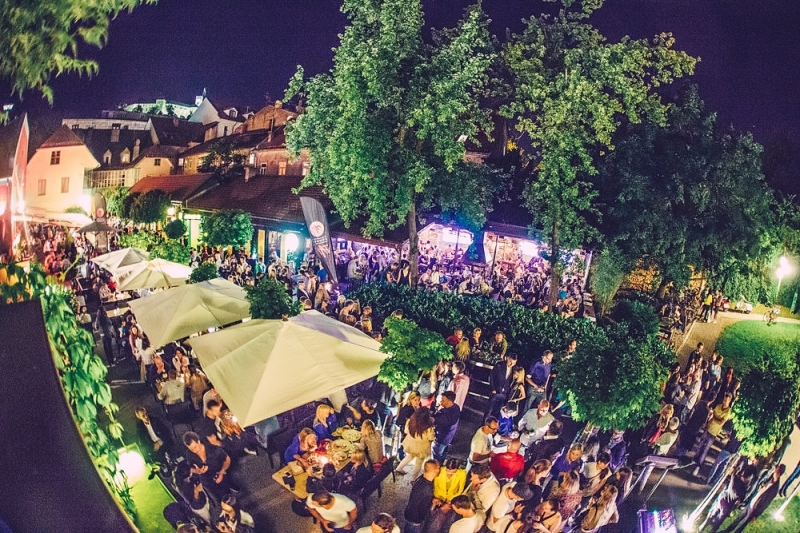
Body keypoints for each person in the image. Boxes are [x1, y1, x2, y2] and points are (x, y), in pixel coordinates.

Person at [720, 464, 784, 533]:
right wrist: (761, 487)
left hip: (754, 509)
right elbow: (763, 485)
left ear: (778, 474)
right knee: (738, 519)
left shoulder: (774, 489)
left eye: (776, 470)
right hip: (751, 502)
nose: (774, 471)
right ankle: (727, 531)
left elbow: (765, 504)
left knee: (742, 524)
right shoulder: (771, 479)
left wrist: (756, 515)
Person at [182, 431, 233, 500]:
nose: (194, 451)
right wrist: (197, 471)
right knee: (216, 499)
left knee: (228, 497)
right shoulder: (189, 454)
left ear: (198, 442)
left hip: (220, 475)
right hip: (207, 481)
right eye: (191, 449)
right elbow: (189, 468)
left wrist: (222, 471)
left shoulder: (212, 448)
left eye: (195, 447)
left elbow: (227, 459)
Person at [693, 393, 733, 477]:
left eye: (726, 400)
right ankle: (694, 460)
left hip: (714, 432)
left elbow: (721, 422)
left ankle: (699, 465)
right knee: (700, 445)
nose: (724, 401)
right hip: (708, 428)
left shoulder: (728, 411)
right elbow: (712, 417)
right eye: (724, 399)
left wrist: (715, 418)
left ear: (729, 401)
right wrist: (709, 423)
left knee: (705, 449)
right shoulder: (718, 406)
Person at [396, 407, 436, 479]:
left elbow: (406, 431)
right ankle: (414, 478)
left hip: (411, 444)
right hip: (422, 448)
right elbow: (431, 438)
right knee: (419, 463)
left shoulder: (409, 421)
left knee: (410, 456)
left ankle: (399, 468)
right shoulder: (429, 428)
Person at [403, 459, 440, 533]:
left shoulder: (422, 478)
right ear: (435, 470)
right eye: (439, 468)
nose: (440, 469)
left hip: (411, 516)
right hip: (415, 520)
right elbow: (417, 506)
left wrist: (432, 499)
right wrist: (418, 521)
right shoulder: (426, 488)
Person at [433, 391, 461, 463]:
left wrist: (433, 418)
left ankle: (437, 466)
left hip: (442, 438)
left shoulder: (449, 415)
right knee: (442, 454)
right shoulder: (455, 407)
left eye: (443, 400)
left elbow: (438, 421)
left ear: (449, 401)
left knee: (436, 455)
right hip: (447, 438)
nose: (441, 402)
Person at [487, 353, 518, 418]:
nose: (511, 364)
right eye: (510, 362)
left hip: (505, 393)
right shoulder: (499, 365)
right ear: (508, 359)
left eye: (513, 363)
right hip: (496, 391)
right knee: (489, 410)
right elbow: (492, 377)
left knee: (498, 412)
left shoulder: (515, 369)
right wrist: (493, 388)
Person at [524, 351, 553, 415]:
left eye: (551, 359)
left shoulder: (549, 364)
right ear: (544, 357)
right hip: (533, 388)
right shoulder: (536, 363)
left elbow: (548, 376)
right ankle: (524, 419)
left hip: (542, 389)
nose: (550, 360)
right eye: (549, 358)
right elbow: (527, 378)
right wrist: (536, 386)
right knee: (528, 406)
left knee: (543, 406)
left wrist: (545, 387)